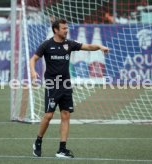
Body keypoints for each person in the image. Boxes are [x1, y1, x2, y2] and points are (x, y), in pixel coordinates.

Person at [30, 19, 109, 158]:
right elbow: (33, 59)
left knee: (65, 115)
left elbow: (88, 46)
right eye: (64, 28)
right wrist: (32, 71)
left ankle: (62, 149)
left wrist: (100, 47)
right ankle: (38, 141)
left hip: (66, 84)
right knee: (48, 115)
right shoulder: (47, 45)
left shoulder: (69, 44)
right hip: (52, 84)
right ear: (56, 30)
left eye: (67, 28)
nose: (66, 30)